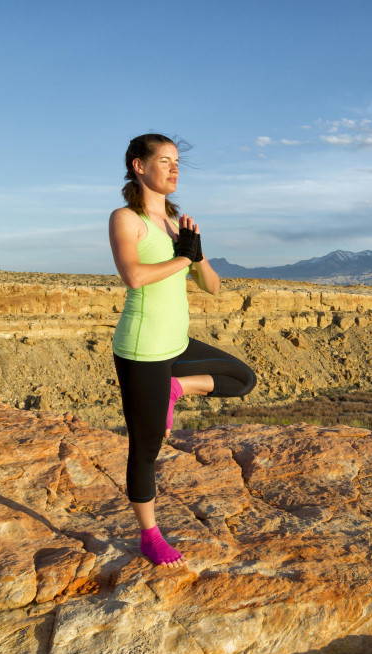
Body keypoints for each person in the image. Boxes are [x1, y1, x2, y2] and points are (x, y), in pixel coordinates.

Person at [109, 133, 256, 567]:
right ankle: (149, 535)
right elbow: (133, 276)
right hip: (143, 348)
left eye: (177, 162)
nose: (174, 169)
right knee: (146, 446)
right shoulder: (126, 218)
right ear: (139, 165)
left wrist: (197, 253)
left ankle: (177, 388)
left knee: (242, 379)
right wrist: (180, 258)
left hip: (177, 342)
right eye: (165, 161)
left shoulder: (178, 225)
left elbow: (212, 287)